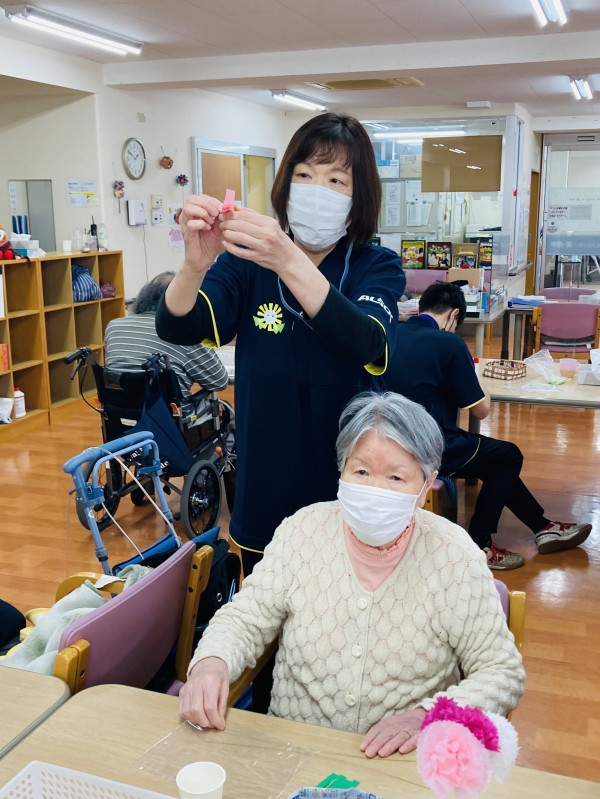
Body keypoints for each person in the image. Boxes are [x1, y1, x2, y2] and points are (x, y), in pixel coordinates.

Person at [179, 392, 525, 756]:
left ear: (427, 485)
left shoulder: (455, 556)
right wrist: (211, 663)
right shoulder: (302, 530)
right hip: (293, 754)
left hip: (399, 763)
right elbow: (245, 618)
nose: (374, 490)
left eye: (396, 477)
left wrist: (428, 717)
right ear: (341, 469)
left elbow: (501, 672)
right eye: (361, 471)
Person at [156, 113, 404, 574]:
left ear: (359, 198)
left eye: (336, 180)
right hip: (264, 482)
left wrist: (287, 259)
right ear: (286, 183)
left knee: (342, 603)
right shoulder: (246, 263)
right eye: (304, 175)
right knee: (265, 603)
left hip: (348, 483)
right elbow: (179, 327)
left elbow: (368, 343)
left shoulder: (376, 265)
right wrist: (193, 267)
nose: (316, 190)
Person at [385, 281, 592, 570]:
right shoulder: (449, 343)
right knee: (508, 456)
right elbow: (481, 410)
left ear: (421, 308)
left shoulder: (390, 334)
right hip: (430, 449)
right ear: (454, 315)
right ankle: (479, 543)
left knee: (494, 461)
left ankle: (543, 527)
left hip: (387, 442)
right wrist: (475, 374)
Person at [105, 272, 229, 421]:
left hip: (117, 416)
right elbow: (220, 381)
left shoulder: (113, 327)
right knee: (226, 411)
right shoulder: (187, 333)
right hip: (169, 420)